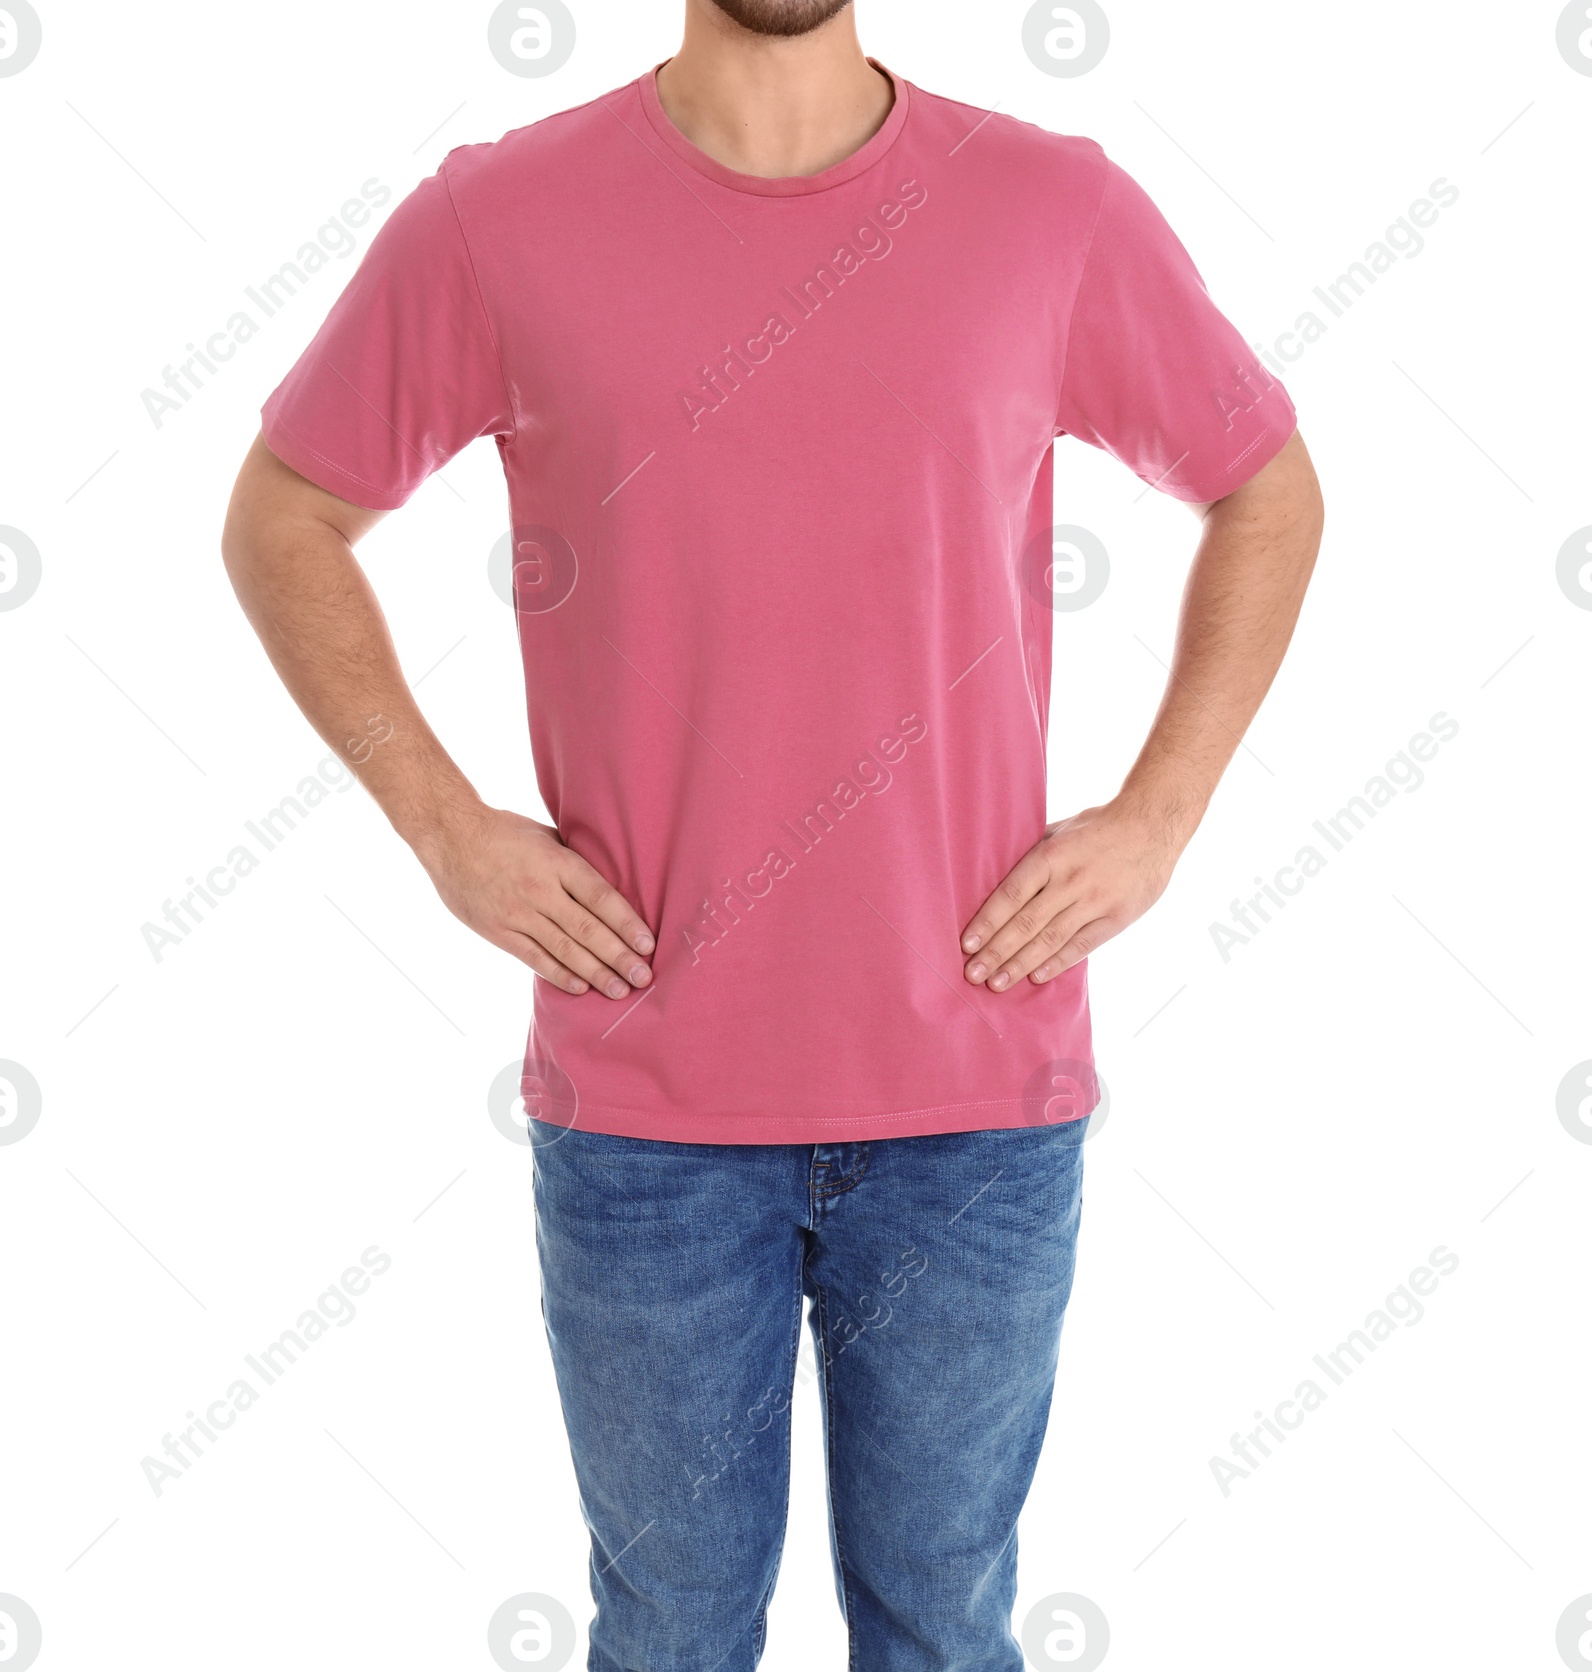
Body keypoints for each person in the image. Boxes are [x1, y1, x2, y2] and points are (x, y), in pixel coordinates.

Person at [222, 0, 1323, 1664]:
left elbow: (1268, 486)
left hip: (973, 1092)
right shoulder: (495, 223)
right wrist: (447, 832)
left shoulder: (1048, 208)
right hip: (649, 1105)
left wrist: (1160, 816)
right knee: (669, 1631)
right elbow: (286, 518)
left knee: (945, 1625)